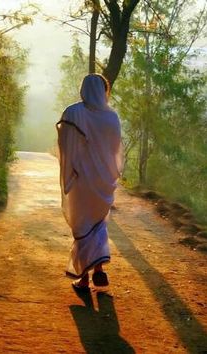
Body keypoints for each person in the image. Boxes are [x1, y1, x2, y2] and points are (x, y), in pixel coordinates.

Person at [56, 73, 123, 290]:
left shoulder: (74, 112)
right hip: (104, 180)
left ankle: (84, 278)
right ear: (104, 91)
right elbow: (115, 151)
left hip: (82, 178)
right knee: (99, 222)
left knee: (83, 224)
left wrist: (71, 170)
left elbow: (65, 146)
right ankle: (99, 269)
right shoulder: (112, 117)